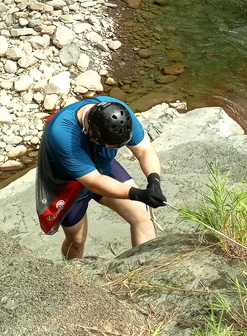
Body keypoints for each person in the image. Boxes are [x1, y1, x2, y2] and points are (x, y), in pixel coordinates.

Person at [36, 95, 166, 260]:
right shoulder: (63, 133)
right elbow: (94, 182)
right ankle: (70, 274)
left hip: (101, 165)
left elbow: (144, 150)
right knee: (77, 240)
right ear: (91, 131)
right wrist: (137, 194)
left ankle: (145, 272)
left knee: (142, 215)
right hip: (68, 183)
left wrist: (153, 180)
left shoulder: (119, 111)